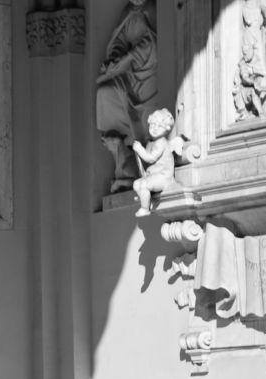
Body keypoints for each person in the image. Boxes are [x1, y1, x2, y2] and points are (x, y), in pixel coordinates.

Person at [95, 0, 158, 192]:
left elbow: (152, 44)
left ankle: (138, 161)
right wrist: (113, 61)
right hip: (128, 72)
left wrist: (125, 60)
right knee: (105, 92)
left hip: (148, 70)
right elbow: (119, 40)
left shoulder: (152, 9)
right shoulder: (128, 11)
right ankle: (119, 148)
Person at [131, 109, 176, 217]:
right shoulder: (151, 143)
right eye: (153, 125)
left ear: (166, 129)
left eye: (159, 126)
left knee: (144, 184)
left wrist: (139, 149)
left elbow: (151, 158)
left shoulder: (161, 142)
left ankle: (145, 208)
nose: (155, 128)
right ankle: (145, 198)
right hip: (155, 175)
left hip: (164, 176)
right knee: (136, 184)